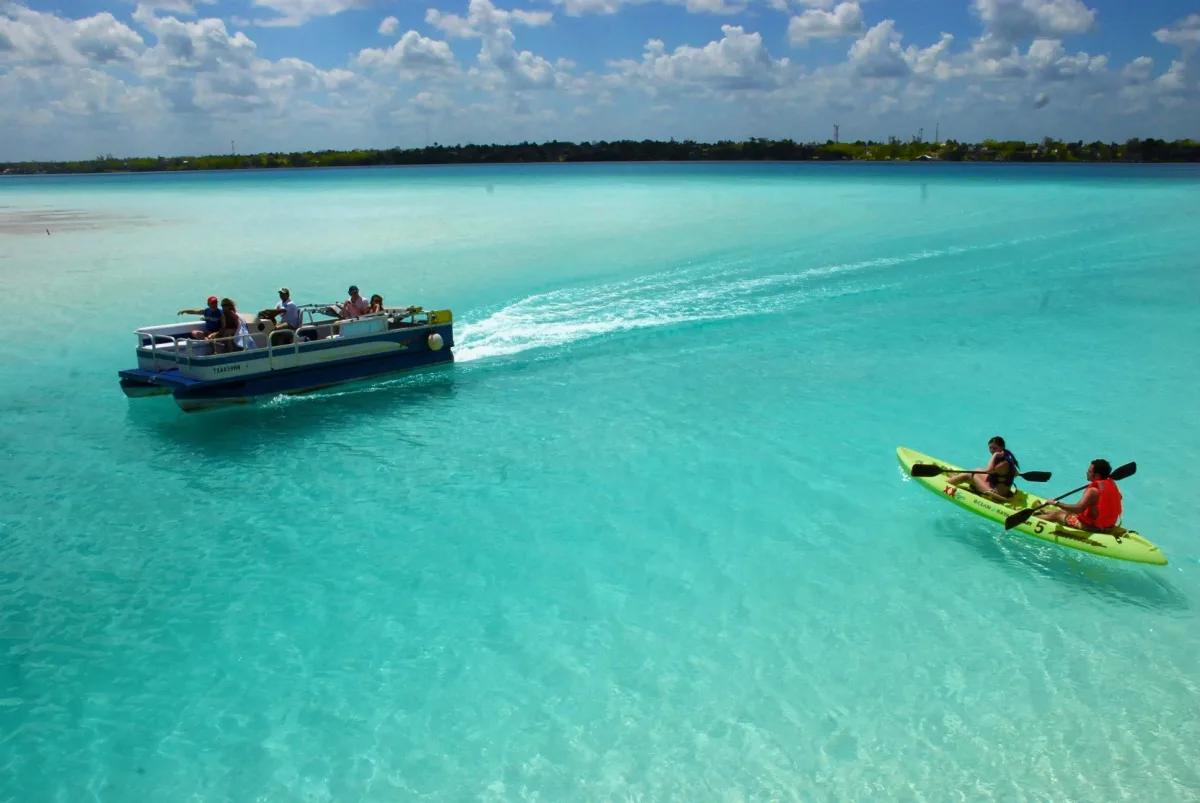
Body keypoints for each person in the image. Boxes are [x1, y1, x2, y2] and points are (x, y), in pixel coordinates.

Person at [1035, 459, 1123, 533]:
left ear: (1097, 475)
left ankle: (1029, 520)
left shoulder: (1092, 491)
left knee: (1058, 514)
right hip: (1108, 525)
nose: (1087, 473)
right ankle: (1045, 510)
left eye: (1089, 471)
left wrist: (1056, 503)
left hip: (1091, 527)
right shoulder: (1111, 485)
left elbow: (1078, 509)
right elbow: (1118, 498)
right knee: (1064, 510)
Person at [947, 436, 1020, 498]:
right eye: (990, 448)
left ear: (1002, 448)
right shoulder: (1007, 456)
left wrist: (995, 456)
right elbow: (1016, 474)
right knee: (978, 470)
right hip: (999, 488)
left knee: (968, 475)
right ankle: (956, 479)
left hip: (996, 494)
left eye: (995, 448)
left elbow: (989, 471)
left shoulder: (1002, 464)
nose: (991, 450)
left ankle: (946, 483)